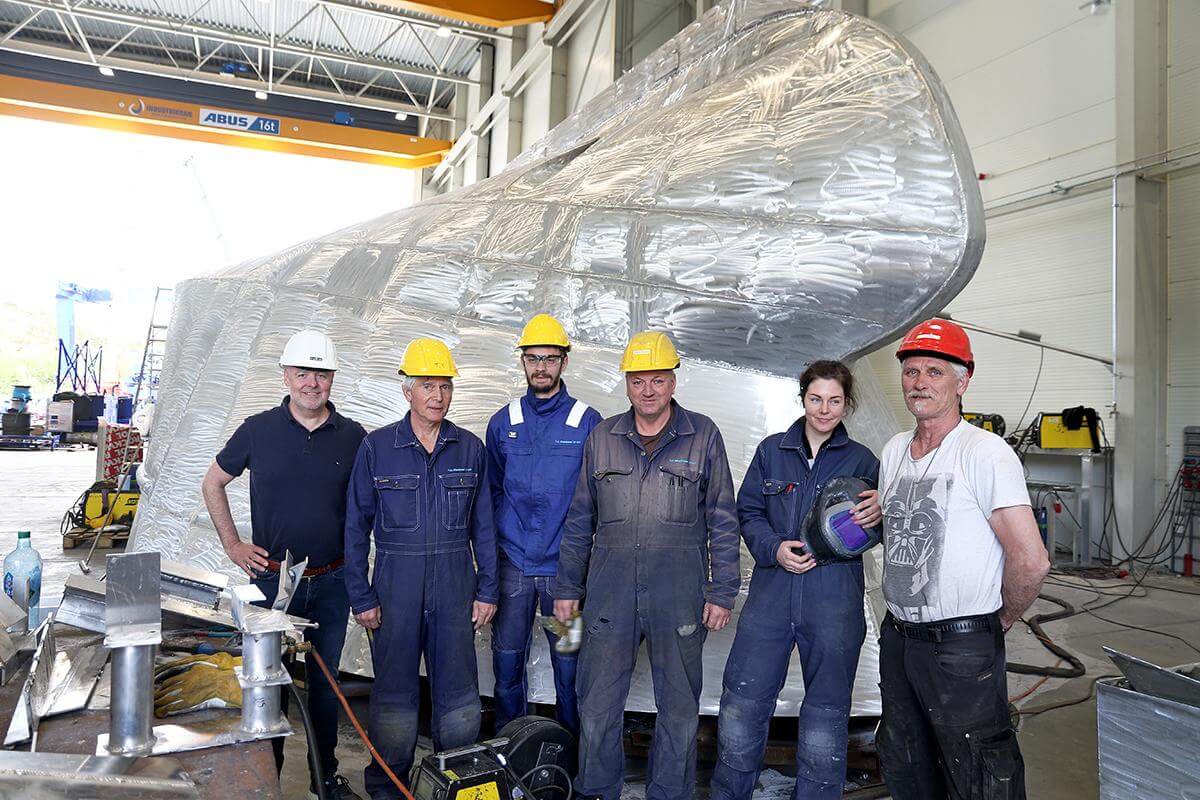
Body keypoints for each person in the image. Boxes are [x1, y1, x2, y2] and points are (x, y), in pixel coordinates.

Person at [554, 330, 741, 800]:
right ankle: (597, 791)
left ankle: (669, 794)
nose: (648, 390)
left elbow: (723, 516)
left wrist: (722, 591)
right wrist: (567, 588)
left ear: (673, 381)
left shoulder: (703, 435)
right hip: (608, 593)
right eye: (638, 381)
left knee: (678, 706)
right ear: (627, 384)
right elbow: (579, 518)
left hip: (678, 594)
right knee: (596, 701)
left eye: (658, 379)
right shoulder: (602, 437)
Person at [875, 319, 1050, 800]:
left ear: (962, 381)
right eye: (911, 371)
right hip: (899, 638)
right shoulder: (894, 450)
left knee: (976, 772)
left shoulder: (985, 453)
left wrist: (999, 620)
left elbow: (1031, 560)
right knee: (905, 761)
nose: (920, 383)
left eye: (935, 371)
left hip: (960, 644)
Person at [202, 329, 366, 800]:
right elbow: (212, 483)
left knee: (326, 688)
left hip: (332, 582)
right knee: (267, 687)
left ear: (332, 378)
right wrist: (233, 545)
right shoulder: (258, 430)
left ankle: (323, 778)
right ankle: (266, 781)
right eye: (303, 373)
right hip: (274, 583)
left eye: (321, 373)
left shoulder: (354, 437)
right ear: (286, 376)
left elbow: (370, 507)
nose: (312, 382)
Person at [711, 360, 882, 800]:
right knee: (742, 703)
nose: (824, 410)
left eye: (834, 401)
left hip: (833, 598)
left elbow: (879, 528)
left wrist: (880, 511)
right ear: (803, 398)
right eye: (816, 399)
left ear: (847, 404)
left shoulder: (863, 460)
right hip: (772, 592)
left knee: (827, 712)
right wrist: (774, 549)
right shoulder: (772, 451)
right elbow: (748, 511)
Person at [344, 337, 498, 800]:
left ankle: (456, 785)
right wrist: (361, 595)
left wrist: (488, 590)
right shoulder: (377, 448)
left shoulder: (469, 448)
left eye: (445, 386)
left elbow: (484, 526)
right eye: (427, 385)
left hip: (455, 585)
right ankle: (388, 788)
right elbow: (355, 526)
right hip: (396, 588)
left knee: (459, 696)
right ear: (407, 390)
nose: (438, 395)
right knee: (394, 696)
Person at [486, 314, 603, 736]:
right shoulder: (504, 421)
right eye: (533, 358)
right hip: (514, 571)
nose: (541, 367)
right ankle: (510, 747)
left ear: (564, 362)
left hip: (564, 577)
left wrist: (578, 569)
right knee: (507, 664)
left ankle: (570, 754)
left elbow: (598, 500)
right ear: (522, 361)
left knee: (569, 667)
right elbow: (492, 492)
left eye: (550, 359)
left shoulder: (587, 422)